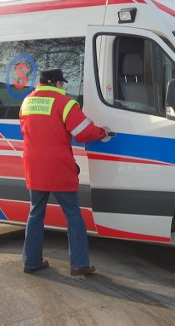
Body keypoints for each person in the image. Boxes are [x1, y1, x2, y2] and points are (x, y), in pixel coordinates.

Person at [19, 68, 113, 276]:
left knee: (35, 213)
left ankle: (31, 261)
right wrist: (103, 132)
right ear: (55, 83)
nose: (63, 86)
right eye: (62, 83)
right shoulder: (64, 103)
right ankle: (79, 263)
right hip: (58, 166)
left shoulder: (27, 102)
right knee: (72, 214)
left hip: (33, 167)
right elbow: (83, 132)